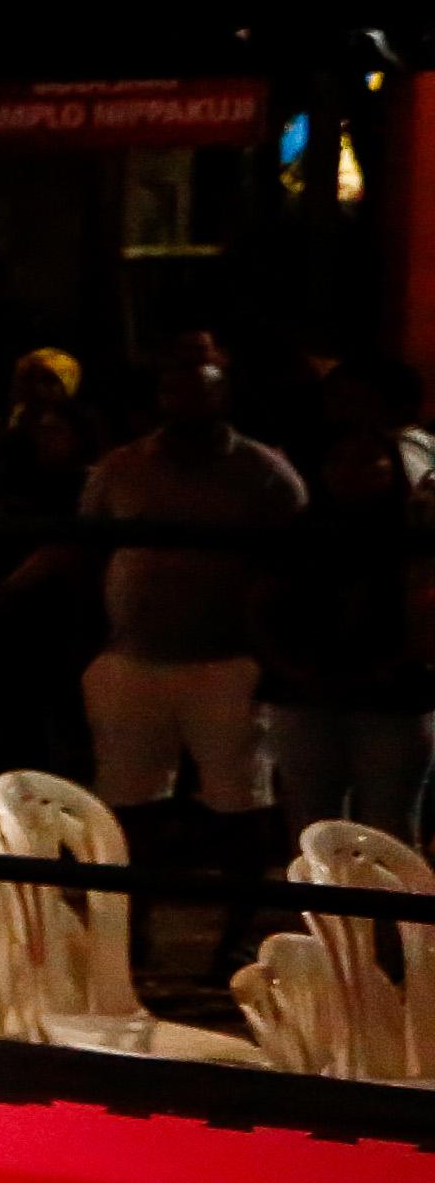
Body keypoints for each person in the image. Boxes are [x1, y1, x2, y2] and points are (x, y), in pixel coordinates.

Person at [78, 337, 301, 826]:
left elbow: (293, 560)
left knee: (240, 796)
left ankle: (239, 900)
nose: (184, 404)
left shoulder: (262, 471)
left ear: (223, 397)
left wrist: (270, 647)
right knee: (128, 795)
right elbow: (85, 546)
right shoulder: (122, 467)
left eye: (198, 392)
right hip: (133, 656)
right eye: (173, 392)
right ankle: (135, 901)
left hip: (227, 660)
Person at [264, 390, 429, 841]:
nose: (349, 473)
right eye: (337, 461)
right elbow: (264, 605)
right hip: (304, 692)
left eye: (366, 461)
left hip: (391, 696)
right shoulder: (300, 530)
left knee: (389, 827)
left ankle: (396, 913)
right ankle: (321, 911)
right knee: (312, 826)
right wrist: (289, 668)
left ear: (392, 467)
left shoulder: (415, 533)